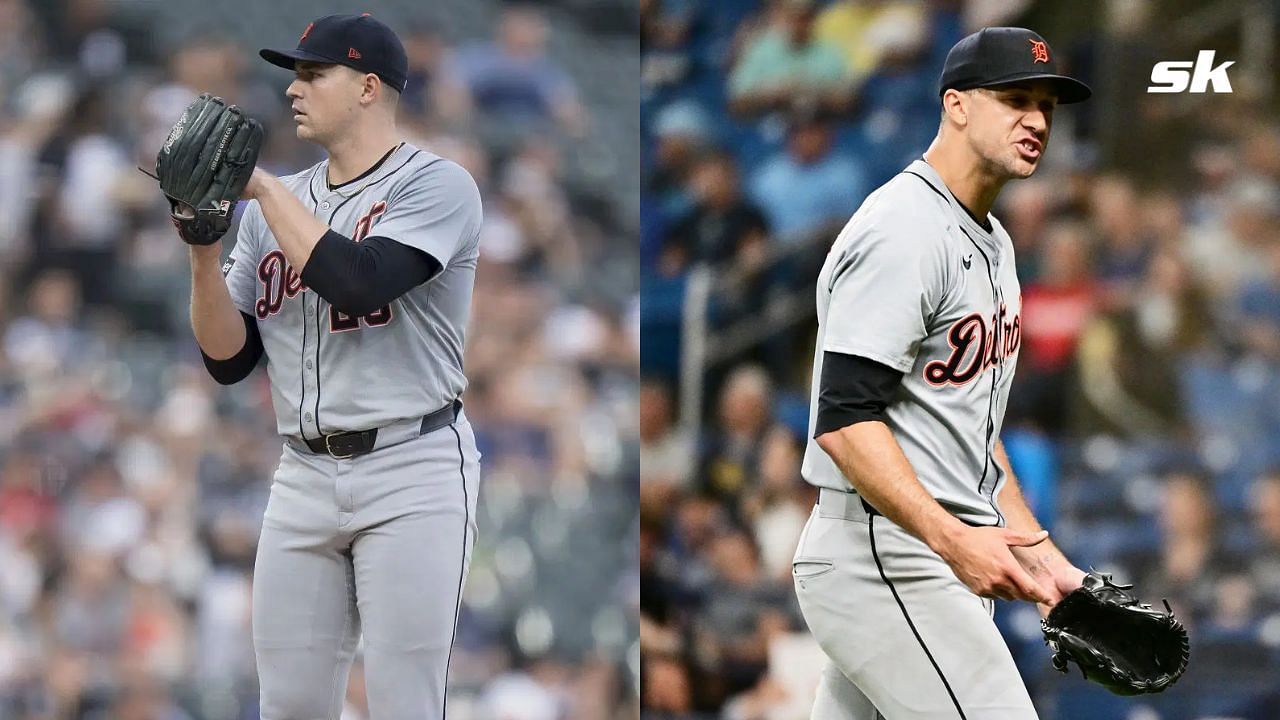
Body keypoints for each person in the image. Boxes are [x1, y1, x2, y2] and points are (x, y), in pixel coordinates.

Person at [182, 13, 482, 719]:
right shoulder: (271, 208)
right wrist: (200, 248)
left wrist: (259, 188)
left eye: (315, 73)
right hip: (304, 475)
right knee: (286, 707)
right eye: (294, 73)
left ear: (369, 87)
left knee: (405, 705)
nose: (295, 88)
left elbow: (358, 280)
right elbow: (229, 360)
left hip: (412, 465)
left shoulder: (437, 185)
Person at [791, 28, 1092, 718]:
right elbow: (844, 422)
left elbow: (969, 428)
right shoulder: (904, 230)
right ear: (955, 104)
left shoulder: (994, 239)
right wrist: (955, 541)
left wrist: (1039, 552)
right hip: (885, 557)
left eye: (1046, 106)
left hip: (932, 554)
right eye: (1016, 99)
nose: (1038, 121)